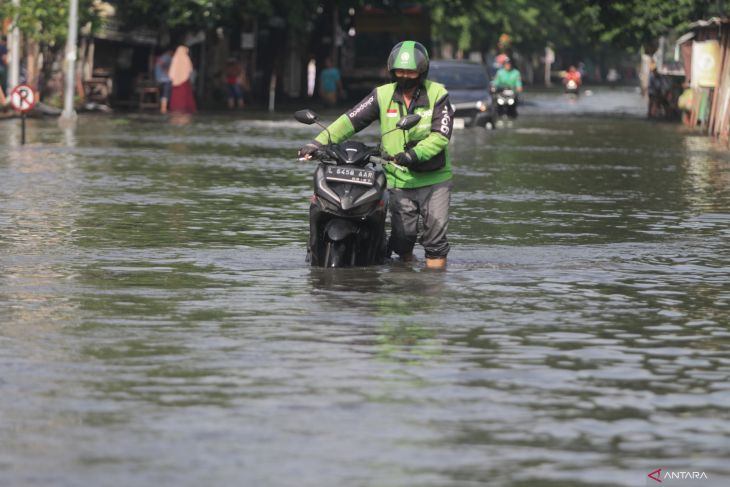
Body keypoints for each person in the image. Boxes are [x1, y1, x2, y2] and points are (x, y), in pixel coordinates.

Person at [299, 41, 454, 269]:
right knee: (402, 241)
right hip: (398, 180)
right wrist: (317, 142)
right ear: (391, 71)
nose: (404, 77)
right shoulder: (382, 95)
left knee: (435, 241)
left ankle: (432, 290)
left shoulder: (438, 94)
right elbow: (350, 120)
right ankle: (405, 279)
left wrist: (413, 155)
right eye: (399, 72)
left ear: (422, 72)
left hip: (435, 180)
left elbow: (441, 136)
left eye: (410, 72)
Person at [168, 45, 197, 114]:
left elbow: (172, 70)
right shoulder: (186, 58)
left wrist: (173, 78)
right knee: (185, 96)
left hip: (176, 82)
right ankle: (186, 108)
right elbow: (190, 69)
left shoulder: (175, 58)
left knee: (177, 96)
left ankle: (176, 108)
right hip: (184, 81)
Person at [154, 48, 172, 114]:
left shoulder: (161, 57)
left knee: (162, 93)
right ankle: (163, 108)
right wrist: (166, 70)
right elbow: (162, 64)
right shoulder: (166, 57)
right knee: (165, 92)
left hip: (159, 78)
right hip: (165, 78)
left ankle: (162, 107)